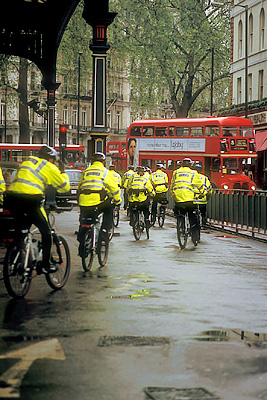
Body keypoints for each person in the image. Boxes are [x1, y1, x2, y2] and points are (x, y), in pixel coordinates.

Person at [5, 145, 70, 273]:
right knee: (46, 232)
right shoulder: (49, 166)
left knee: (22, 229)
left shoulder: (27, 161)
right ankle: (46, 264)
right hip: (31, 199)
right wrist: (63, 173)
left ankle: (16, 256)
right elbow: (64, 187)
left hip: (12, 198)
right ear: (51, 159)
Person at [77, 152, 121, 255]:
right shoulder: (105, 172)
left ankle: (82, 240)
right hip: (98, 202)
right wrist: (117, 201)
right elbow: (114, 190)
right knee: (109, 210)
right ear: (103, 162)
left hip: (84, 201)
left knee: (85, 221)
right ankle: (104, 232)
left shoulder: (85, 172)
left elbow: (80, 186)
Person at [170, 157, 207, 244]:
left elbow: (172, 186)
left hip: (178, 198)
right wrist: (203, 193)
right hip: (189, 199)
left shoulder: (176, 172)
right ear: (190, 165)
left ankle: (180, 226)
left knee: (179, 211)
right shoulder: (193, 173)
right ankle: (194, 236)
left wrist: (173, 195)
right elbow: (200, 185)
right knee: (192, 216)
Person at [127, 165, 155, 230]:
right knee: (146, 210)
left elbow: (128, 187)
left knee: (132, 209)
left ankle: (132, 221)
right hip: (142, 200)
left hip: (133, 199)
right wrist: (153, 194)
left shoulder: (132, 177)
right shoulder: (145, 179)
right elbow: (150, 189)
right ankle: (147, 221)